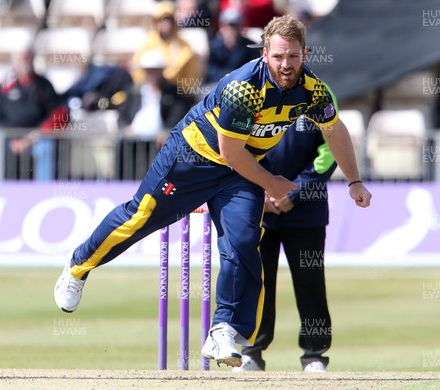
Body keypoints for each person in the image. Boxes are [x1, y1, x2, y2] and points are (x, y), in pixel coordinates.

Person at [54, 14, 372, 368]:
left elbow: (334, 131)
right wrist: (273, 183)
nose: (286, 64)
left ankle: (223, 329)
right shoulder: (244, 87)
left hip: (240, 171)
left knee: (242, 243)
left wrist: (354, 180)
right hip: (193, 158)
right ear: (265, 53)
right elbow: (229, 151)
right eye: (279, 56)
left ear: (304, 55)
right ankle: (79, 265)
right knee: (140, 216)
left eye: (293, 56)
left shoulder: (314, 90)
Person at [233, 117, 335, 373]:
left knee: (309, 282)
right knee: (257, 281)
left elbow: (331, 150)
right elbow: (234, 148)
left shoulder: (319, 95)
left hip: (307, 210)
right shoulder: (253, 92)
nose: (287, 72)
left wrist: (295, 192)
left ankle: (314, 355)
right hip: (258, 207)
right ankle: (251, 352)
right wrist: (262, 188)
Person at [0, 49, 67, 181]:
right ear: (14, 62)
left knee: (46, 147)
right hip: (10, 139)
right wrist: (12, 140)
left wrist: (31, 138)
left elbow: (58, 115)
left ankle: (43, 193)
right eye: (22, 58)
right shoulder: (4, 87)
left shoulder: (44, 86)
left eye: (28, 58)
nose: (25, 62)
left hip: (36, 138)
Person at [118, 50, 195, 146]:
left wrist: (167, 132)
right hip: (133, 145)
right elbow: (123, 115)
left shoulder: (173, 94)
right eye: (148, 70)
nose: (151, 74)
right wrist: (126, 128)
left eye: (155, 70)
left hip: (161, 145)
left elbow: (178, 115)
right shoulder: (134, 92)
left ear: (161, 71)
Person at [131, 1, 200, 87]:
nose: (165, 23)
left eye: (168, 19)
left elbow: (190, 79)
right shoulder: (148, 43)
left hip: (174, 94)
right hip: (149, 89)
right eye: (161, 20)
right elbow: (137, 71)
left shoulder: (184, 47)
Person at [205, 8, 259, 84]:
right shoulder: (214, 46)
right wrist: (229, 77)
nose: (230, 30)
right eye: (227, 26)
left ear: (241, 27)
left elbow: (254, 69)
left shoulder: (250, 46)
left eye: (234, 26)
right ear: (221, 27)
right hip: (218, 84)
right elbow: (210, 71)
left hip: (244, 85)